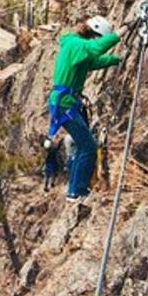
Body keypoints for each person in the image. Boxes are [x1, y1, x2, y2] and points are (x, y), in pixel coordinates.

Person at [43, 15, 121, 201]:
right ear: (94, 35)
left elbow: (93, 62)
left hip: (65, 103)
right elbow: (95, 50)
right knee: (88, 146)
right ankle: (76, 190)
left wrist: (116, 59)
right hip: (65, 104)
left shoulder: (74, 46)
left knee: (82, 145)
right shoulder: (77, 45)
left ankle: (76, 188)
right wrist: (120, 33)